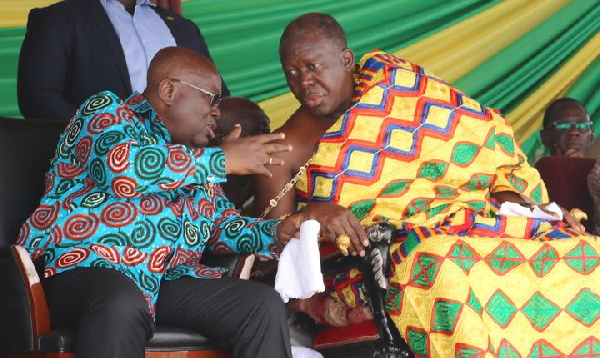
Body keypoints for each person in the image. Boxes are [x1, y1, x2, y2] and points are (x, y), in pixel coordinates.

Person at [255, 13, 600, 355]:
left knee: (583, 250)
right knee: (440, 263)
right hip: (375, 263)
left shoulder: (399, 87)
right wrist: (313, 215)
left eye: (313, 67)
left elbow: (484, 150)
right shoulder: (281, 151)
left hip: (468, 224)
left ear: (346, 60)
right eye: (292, 73)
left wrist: (535, 210)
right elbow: (269, 252)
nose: (303, 84)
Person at [17, 46, 308, 358]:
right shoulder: (107, 112)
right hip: (84, 271)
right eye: (211, 98)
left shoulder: (199, 159)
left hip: (165, 280)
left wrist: (277, 232)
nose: (217, 112)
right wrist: (220, 159)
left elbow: (222, 227)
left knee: (259, 305)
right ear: (169, 90)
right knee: (122, 301)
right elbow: (121, 168)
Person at [18, 0, 229, 121]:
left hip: (191, 168)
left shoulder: (183, 27)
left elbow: (219, 96)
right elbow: (38, 98)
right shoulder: (59, 19)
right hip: (105, 172)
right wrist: (104, 135)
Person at [216, 96, 271, 212]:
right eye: (260, 131)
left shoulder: (269, 185)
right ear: (222, 138)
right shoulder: (189, 191)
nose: (269, 138)